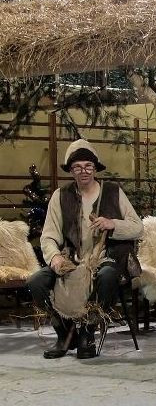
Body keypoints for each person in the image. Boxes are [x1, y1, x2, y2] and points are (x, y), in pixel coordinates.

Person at [27, 139, 143, 360]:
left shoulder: (113, 192)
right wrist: (55, 257)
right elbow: (49, 236)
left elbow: (138, 228)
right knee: (36, 282)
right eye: (77, 167)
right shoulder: (61, 196)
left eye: (88, 166)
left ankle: (87, 332)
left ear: (95, 168)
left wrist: (113, 224)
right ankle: (64, 333)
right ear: (71, 171)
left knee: (107, 276)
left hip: (106, 258)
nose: (84, 171)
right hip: (73, 259)